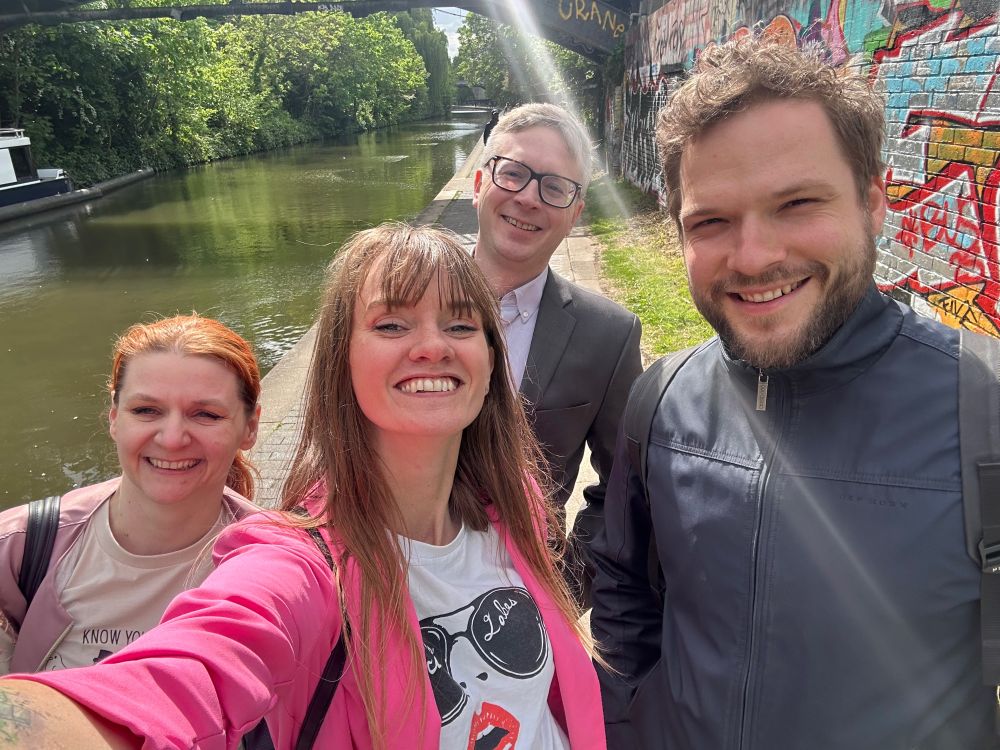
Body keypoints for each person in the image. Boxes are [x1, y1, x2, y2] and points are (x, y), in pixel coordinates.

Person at [0, 223, 605, 749]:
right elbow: (192, 673)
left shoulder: (516, 502)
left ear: (491, 357)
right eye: (392, 323)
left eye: (460, 325)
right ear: (341, 359)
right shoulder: (299, 567)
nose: (432, 346)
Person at [590, 38, 1000, 749]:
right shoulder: (659, 402)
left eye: (798, 202)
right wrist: (634, 717)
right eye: (710, 221)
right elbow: (622, 583)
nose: (753, 258)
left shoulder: (985, 414)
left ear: (873, 201)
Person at [0, 314, 260, 676]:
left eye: (205, 414)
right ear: (113, 418)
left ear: (250, 427)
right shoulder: (18, 550)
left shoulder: (277, 562)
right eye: (146, 410)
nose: (172, 438)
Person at [473, 103, 642, 606]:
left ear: (575, 212)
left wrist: (562, 589)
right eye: (514, 174)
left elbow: (623, 489)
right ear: (479, 182)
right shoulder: (398, 303)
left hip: (519, 606)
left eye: (555, 187)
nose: (529, 198)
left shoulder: (607, 336)